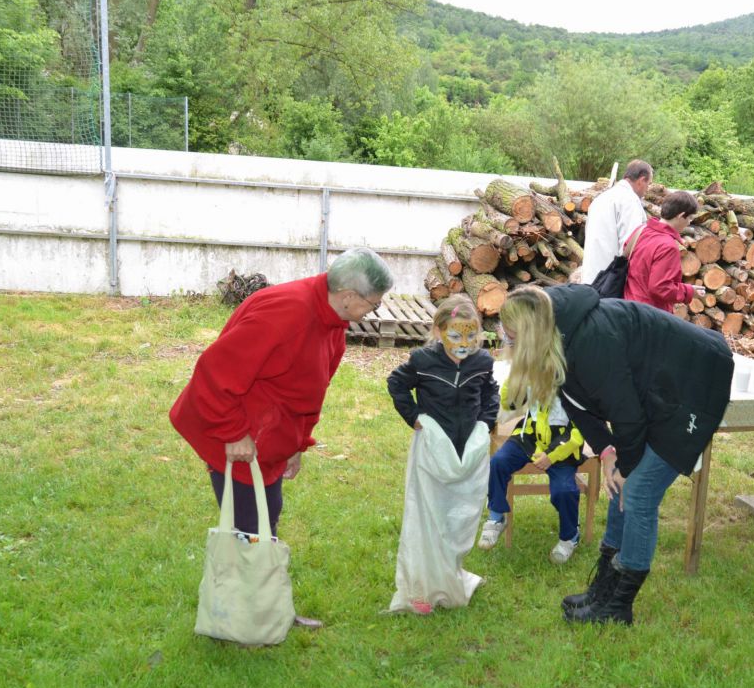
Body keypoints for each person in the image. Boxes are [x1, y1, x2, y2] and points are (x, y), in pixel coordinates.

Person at [170, 247, 393, 627]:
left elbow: (311, 391)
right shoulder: (285, 315)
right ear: (347, 296)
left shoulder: (333, 323)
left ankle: (265, 611)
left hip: (268, 437)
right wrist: (233, 433)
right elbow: (214, 372)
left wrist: (298, 444)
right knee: (249, 529)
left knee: (265, 517)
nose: (376, 310)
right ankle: (244, 621)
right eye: (374, 303)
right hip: (237, 435)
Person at [498, 284, 733, 625]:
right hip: (652, 391)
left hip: (695, 379)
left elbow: (627, 415)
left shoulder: (591, 341)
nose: (509, 344)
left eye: (513, 338)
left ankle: (619, 604)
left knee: (638, 492)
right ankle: (604, 589)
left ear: (531, 334)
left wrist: (625, 465)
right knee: (617, 485)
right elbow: (576, 404)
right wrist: (608, 453)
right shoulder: (557, 333)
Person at [386, 295, 500, 614]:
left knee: (458, 517)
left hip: (467, 451)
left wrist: (486, 421)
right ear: (438, 331)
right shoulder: (423, 361)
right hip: (433, 452)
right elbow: (396, 383)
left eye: (471, 335)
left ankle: (449, 574)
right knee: (428, 517)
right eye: (455, 335)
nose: (463, 344)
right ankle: (421, 586)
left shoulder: (481, 362)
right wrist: (414, 417)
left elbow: (490, 392)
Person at [478, 377, 587, 564]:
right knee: (498, 462)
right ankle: (496, 517)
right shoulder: (530, 371)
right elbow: (510, 403)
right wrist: (517, 373)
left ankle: (570, 537)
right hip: (529, 437)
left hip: (562, 446)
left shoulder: (577, 377)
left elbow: (582, 429)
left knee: (564, 490)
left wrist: (551, 455)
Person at [623, 191, 704, 313]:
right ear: (681, 215)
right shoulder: (668, 246)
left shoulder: (641, 231)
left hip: (627, 305)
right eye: (690, 218)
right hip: (649, 314)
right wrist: (689, 291)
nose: (689, 223)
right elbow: (660, 287)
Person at [580, 159, 651, 288]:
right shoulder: (629, 201)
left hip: (590, 277)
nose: (647, 190)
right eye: (648, 184)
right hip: (610, 282)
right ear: (641, 180)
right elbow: (630, 245)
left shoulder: (601, 198)